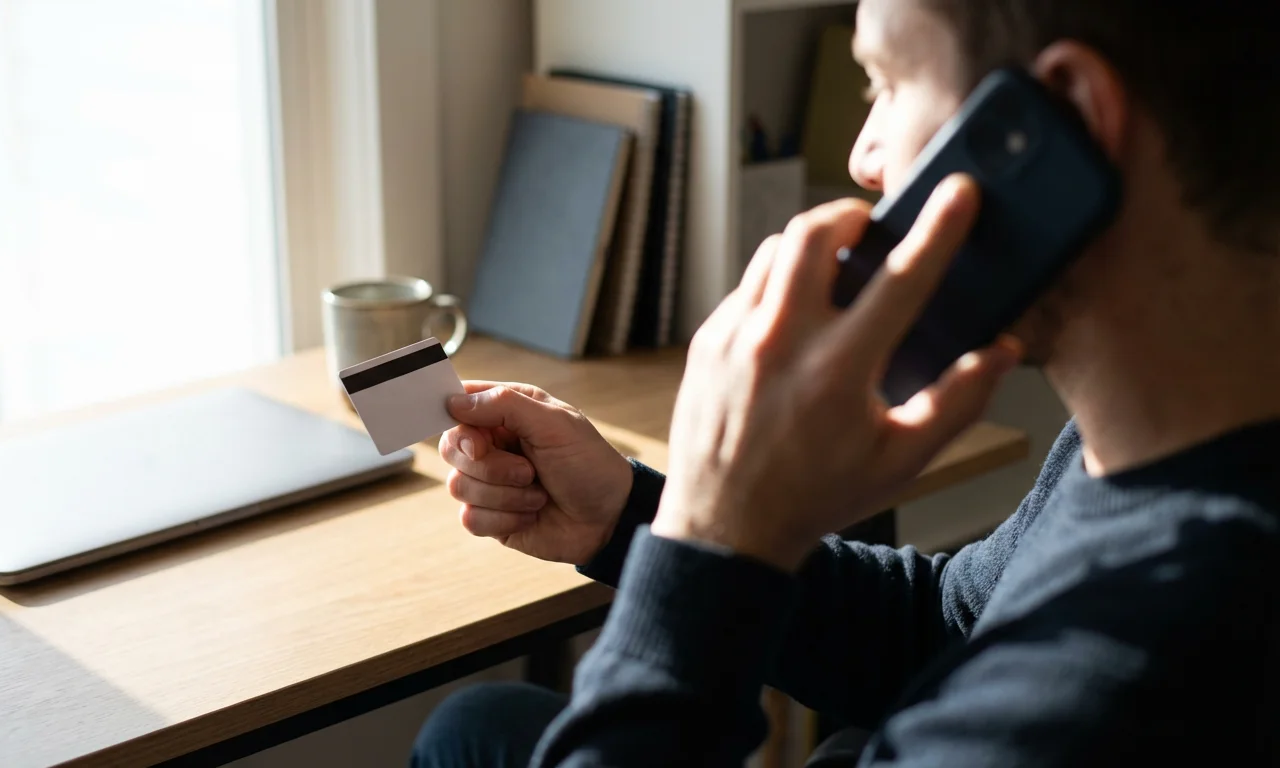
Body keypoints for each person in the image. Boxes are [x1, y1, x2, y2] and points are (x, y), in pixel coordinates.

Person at [413, 0, 1280, 765]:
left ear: (1065, 119)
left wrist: (710, 542)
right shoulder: (1169, 427)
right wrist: (637, 518)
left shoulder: (1117, 687)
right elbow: (949, 627)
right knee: (480, 723)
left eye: (886, 84)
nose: (866, 159)